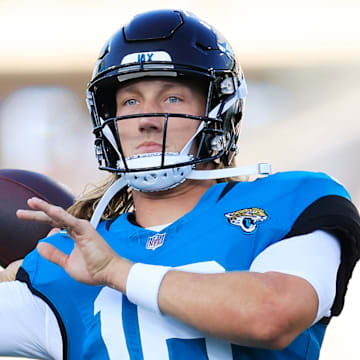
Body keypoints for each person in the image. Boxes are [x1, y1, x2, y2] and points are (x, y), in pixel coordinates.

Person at [1, 9, 360, 360]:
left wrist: (116, 272)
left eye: (172, 98)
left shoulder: (291, 202)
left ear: (219, 112)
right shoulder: (65, 263)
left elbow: (272, 314)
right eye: (130, 101)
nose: (145, 120)